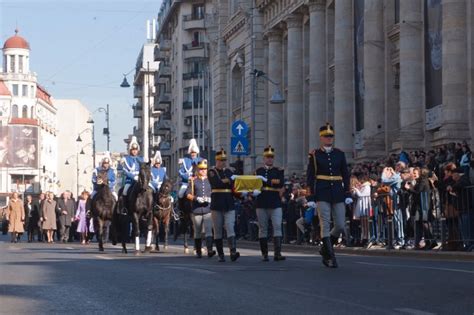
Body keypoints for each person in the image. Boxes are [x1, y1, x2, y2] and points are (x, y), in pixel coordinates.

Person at [306, 123, 352, 268]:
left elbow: (345, 174)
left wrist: (347, 192)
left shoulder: (339, 153)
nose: (329, 138)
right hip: (322, 191)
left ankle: (324, 249)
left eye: (331, 136)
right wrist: (310, 197)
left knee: (339, 225)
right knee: (325, 223)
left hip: (338, 191)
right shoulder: (314, 155)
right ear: (321, 138)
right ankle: (331, 257)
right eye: (326, 136)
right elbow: (310, 177)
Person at [254, 145, 286, 261]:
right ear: (264, 158)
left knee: (277, 226)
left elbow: (280, 183)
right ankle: (264, 254)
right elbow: (256, 185)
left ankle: (277, 253)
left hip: (275, 201)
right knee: (263, 228)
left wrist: (265, 182)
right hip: (262, 202)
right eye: (267, 157)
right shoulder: (258, 171)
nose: (270, 159)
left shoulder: (278, 171)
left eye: (271, 157)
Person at [208, 148, 240, 262]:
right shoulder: (212, 172)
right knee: (217, 230)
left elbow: (234, 186)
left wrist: (242, 194)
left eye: (224, 160)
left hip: (229, 203)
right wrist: (228, 180)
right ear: (216, 160)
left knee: (230, 227)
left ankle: (233, 252)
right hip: (217, 204)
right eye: (221, 160)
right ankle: (221, 254)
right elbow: (216, 184)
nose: (223, 162)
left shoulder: (229, 172)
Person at [186, 159, 216, 258]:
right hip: (197, 210)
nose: (203, 171)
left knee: (208, 230)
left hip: (207, 209)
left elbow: (213, 192)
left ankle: (210, 249)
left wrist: (210, 198)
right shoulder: (193, 181)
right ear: (198, 170)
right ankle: (198, 250)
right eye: (201, 169)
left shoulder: (210, 180)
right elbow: (188, 194)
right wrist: (196, 198)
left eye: (205, 169)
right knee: (198, 231)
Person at [120, 136, 144, 211]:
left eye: (136, 150)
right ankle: (125, 208)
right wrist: (133, 177)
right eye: (133, 150)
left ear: (138, 150)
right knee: (124, 191)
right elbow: (124, 171)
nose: (134, 151)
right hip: (129, 181)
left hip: (139, 181)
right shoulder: (126, 159)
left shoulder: (141, 159)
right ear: (130, 150)